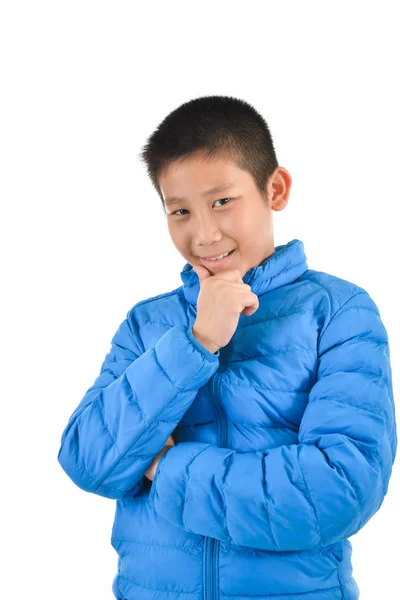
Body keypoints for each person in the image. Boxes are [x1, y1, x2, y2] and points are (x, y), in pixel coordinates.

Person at [57, 95, 397, 600]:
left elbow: (335, 492)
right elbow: (87, 461)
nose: (204, 233)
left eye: (221, 201)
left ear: (274, 189)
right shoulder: (148, 323)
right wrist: (197, 342)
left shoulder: (338, 311)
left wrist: (165, 468)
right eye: (180, 211)